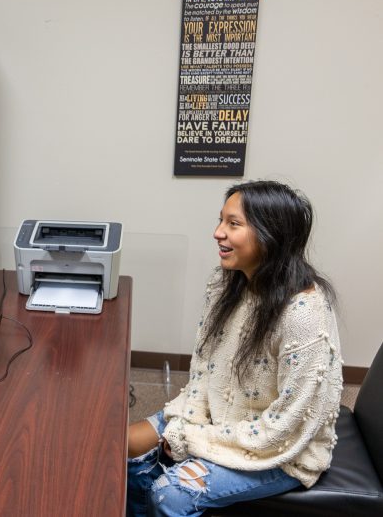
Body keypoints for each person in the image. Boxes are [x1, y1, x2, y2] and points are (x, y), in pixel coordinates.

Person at [127, 180, 342, 516]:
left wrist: (192, 441)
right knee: (124, 447)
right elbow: (203, 376)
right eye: (220, 220)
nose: (217, 232)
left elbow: (285, 428)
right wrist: (189, 423)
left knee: (172, 494)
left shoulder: (304, 314)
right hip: (219, 421)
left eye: (233, 224)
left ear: (272, 235)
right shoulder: (228, 284)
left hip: (282, 451)